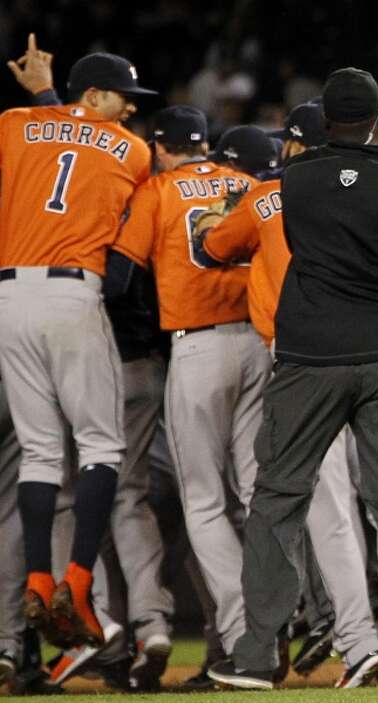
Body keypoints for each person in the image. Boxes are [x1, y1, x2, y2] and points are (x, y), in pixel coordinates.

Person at [206, 67, 378, 689]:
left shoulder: (295, 180)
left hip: (309, 359)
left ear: (325, 123)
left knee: (276, 501)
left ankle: (258, 657)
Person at [194, 101, 378, 689]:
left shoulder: (268, 194)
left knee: (305, 507)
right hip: (377, 352)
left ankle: (336, 644)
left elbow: (211, 249)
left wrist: (214, 219)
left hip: (303, 357)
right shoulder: (370, 189)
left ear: (297, 146)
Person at [7, 37, 175, 691]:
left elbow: (52, 144)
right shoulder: (133, 152)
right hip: (76, 291)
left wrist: (43, 97)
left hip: (9, 297)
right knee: (102, 445)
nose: (130, 112)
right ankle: (76, 585)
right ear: (94, 94)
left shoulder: (14, 122)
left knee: (41, 453)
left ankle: (40, 580)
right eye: (122, 99)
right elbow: (85, 155)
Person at [108, 106, 274, 678]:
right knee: (258, 495)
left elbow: (120, 280)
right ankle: (281, 620)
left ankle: (245, 636)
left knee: (203, 502)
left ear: (160, 146)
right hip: (260, 343)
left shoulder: (157, 190)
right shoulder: (251, 184)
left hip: (198, 347)